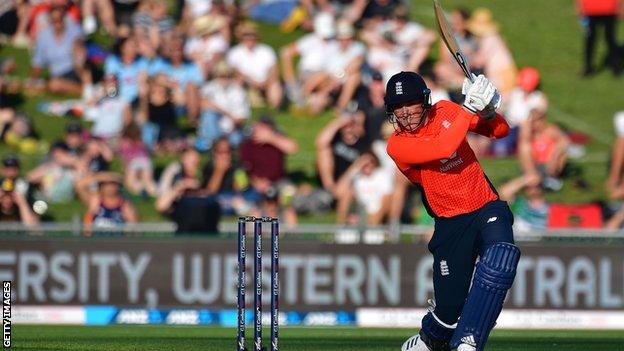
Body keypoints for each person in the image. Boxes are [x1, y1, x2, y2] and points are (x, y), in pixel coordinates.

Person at [383, 71, 520, 351]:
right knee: (448, 311)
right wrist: (468, 108)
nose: (405, 113)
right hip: (450, 222)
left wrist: (489, 110)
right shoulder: (397, 144)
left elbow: (500, 131)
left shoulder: (445, 110)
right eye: (398, 107)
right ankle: (428, 339)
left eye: (410, 103)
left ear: (425, 100)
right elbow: (444, 147)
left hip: (485, 205)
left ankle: (469, 341)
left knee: (501, 258)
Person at [577, 0, 622, 76]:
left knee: (610, 38)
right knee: (590, 39)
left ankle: (616, 67)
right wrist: (579, 8)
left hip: (609, 9)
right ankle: (588, 67)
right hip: (590, 10)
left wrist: (620, 7)